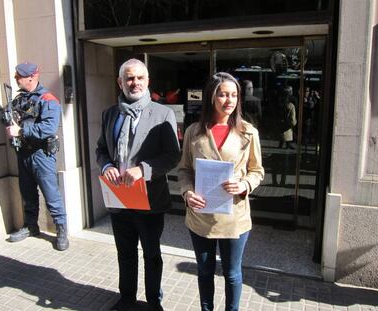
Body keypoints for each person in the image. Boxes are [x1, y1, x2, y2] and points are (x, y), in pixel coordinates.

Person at [96, 59, 181, 311]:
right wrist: (106, 166)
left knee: (152, 255)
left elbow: (172, 156)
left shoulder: (163, 113)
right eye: (129, 78)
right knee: (125, 252)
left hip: (149, 198)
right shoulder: (110, 113)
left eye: (139, 78)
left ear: (147, 81)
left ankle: (154, 301)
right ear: (120, 82)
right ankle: (127, 297)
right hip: (118, 197)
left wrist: (143, 170)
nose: (135, 83)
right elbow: (101, 150)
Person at [178, 72, 264, 311]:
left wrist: (245, 184)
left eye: (234, 95)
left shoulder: (248, 132)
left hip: (234, 216)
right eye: (223, 94)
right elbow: (184, 170)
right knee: (205, 272)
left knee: (232, 273)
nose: (229, 100)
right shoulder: (193, 132)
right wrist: (186, 193)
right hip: (200, 216)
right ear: (211, 97)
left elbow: (257, 170)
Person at [5, 62, 68, 251]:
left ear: (31, 77)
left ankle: (62, 231)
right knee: (28, 193)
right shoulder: (18, 99)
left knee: (52, 195)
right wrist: (7, 116)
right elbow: (7, 117)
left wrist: (21, 130)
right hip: (23, 153)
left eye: (19, 77)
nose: (16, 79)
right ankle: (31, 226)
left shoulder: (48, 100)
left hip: (41, 155)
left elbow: (48, 128)